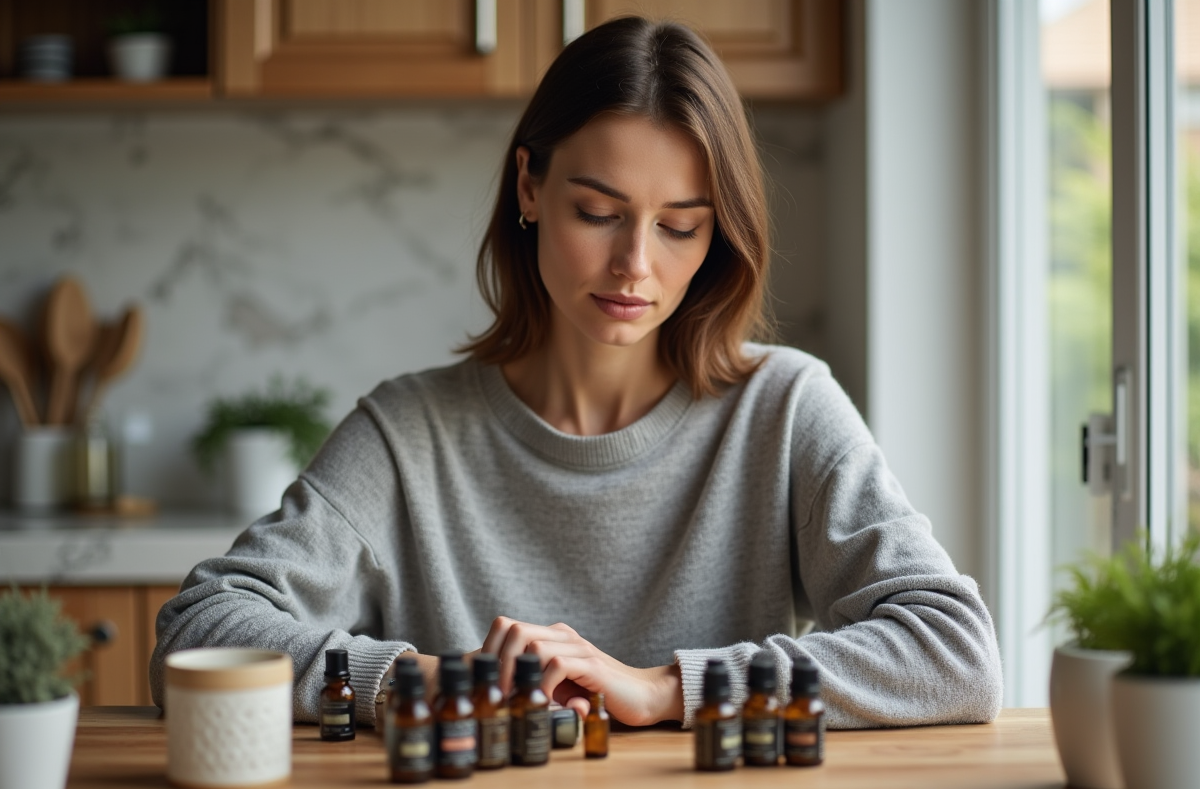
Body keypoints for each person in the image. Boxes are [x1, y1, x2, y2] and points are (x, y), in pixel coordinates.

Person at [150, 16, 1002, 731]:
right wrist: (420, 682)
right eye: (598, 213)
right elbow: (195, 634)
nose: (635, 263)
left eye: (680, 227)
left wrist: (671, 688)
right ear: (529, 186)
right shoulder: (407, 434)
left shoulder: (784, 407)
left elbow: (956, 653)